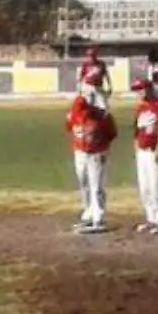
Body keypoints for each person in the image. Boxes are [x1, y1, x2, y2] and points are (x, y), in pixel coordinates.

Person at [65, 64, 115, 234]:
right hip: (80, 150)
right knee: (83, 182)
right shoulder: (76, 108)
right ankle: (88, 213)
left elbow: (111, 132)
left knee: (97, 185)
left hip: (96, 152)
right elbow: (69, 125)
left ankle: (98, 216)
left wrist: (101, 150)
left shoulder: (101, 112)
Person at [130, 76, 158, 234]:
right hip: (142, 151)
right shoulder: (140, 107)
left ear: (149, 89)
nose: (139, 93)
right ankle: (151, 218)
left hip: (154, 150)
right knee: (145, 188)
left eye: (141, 89)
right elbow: (136, 130)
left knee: (156, 187)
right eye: (137, 90)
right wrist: (136, 148)